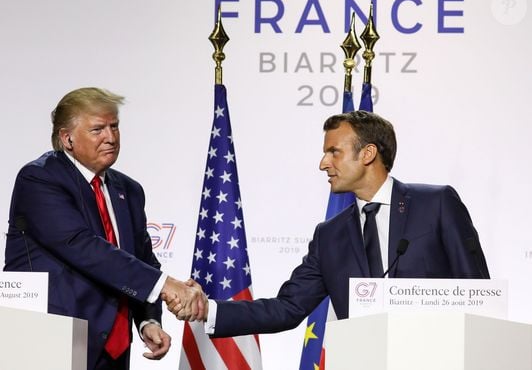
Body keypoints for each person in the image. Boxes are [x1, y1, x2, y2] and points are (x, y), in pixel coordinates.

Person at [166, 110, 490, 337]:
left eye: (334, 152)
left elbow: (478, 294)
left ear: (368, 154)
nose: (323, 163)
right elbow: (287, 308)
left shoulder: (436, 205)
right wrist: (209, 309)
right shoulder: (330, 235)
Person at [4, 87, 206, 370]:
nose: (110, 138)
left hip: (113, 349)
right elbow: (82, 245)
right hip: (53, 341)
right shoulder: (40, 178)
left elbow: (141, 260)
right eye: (98, 129)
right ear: (67, 138)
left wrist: (147, 319)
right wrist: (166, 286)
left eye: (115, 126)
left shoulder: (129, 190)